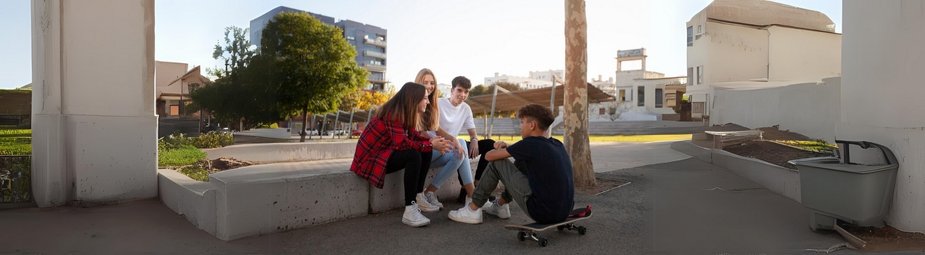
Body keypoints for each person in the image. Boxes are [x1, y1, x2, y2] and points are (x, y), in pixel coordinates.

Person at [448, 104, 575, 225]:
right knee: (521, 160)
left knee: (497, 162)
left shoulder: (530, 144)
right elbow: (523, 151)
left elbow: (488, 156)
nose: (520, 126)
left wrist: (498, 148)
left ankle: (473, 209)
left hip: (542, 212)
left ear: (532, 125)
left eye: (522, 122)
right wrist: (507, 147)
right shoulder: (556, 144)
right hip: (564, 211)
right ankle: (501, 205)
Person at [350, 82, 450, 227]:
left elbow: (414, 136)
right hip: (368, 161)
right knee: (413, 155)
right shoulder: (393, 114)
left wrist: (433, 141)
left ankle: (418, 196)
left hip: (383, 154)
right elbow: (402, 144)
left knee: (425, 149)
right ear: (414, 99)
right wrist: (430, 144)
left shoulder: (404, 113)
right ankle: (410, 210)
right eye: (425, 98)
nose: (428, 102)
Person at [412, 68, 469, 211]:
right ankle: (473, 195)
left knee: (459, 149)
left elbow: (436, 128)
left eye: (432, 82)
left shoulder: (431, 104)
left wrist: (452, 140)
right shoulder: (412, 101)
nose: (429, 86)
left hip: (429, 150)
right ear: (418, 82)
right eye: (425, 82)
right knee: (459, 147)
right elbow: (420, 134)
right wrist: (439, 142)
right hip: (417, 152)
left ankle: (429, 192)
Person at [421, 76, 480, 208]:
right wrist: (454, 140)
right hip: (430, 150)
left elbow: (472, 131)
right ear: (452, 90)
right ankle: (473, 196)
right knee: (460, 144)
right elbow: (433, 128)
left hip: (446, 151)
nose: (462, 94)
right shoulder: (437, 103)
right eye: (459, 90)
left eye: (466, 92)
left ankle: (429, 192)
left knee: (460, 152)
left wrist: (475, 139)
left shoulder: (466, 109)